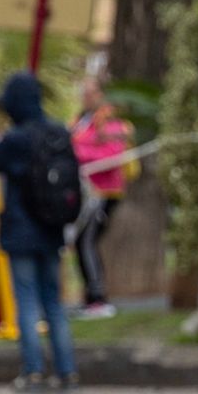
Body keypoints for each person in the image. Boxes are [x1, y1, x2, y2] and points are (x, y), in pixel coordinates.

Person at [0, 71, 78, 391]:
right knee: (53, 302)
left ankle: (33, 370)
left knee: (26, 301)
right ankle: (67, 369)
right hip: (52, 227)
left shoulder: (16, 139)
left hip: (21, 230)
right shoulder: (58, 133)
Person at [69, 76, 133, 319]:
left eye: (91, 92)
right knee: (83, 241)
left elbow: (112, 155)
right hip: (85, 192)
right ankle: (91, 297)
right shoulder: (80, 121)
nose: (86, 96)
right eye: (83, 91)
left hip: (103, 192)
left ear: (101, 94)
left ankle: (97, 298)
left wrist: (76, 153)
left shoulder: (110, 121)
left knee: (87, 239)